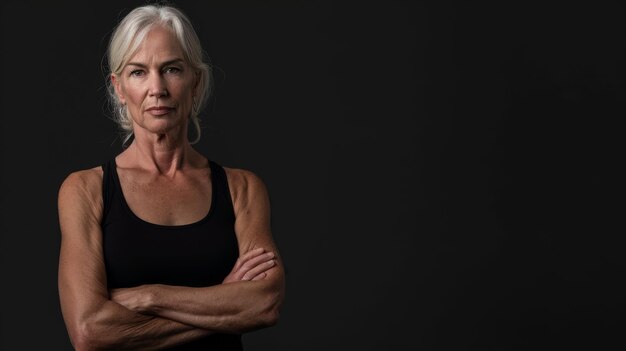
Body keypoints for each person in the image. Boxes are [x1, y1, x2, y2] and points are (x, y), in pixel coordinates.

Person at [57, 4, 285, 350]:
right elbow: (89, 332)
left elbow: (264, 303)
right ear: (119, 88)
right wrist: (225, 302)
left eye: (172, 69)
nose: (157, 88)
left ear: (196, 81)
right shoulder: (86, 190)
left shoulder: (242, 189)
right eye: (138, 72)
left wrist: (150, 296)